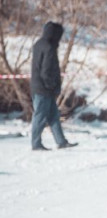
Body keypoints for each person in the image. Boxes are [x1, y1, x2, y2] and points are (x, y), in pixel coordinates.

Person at [29, 21, 77, 151]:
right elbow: (46, 71)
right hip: (44, 88)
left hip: (39, 86)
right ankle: (36, 144)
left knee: (54, 116)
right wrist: (52, 86)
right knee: (40, 116)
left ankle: (61, 141)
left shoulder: (39, 44)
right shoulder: (49, 47)